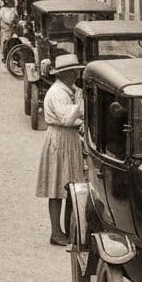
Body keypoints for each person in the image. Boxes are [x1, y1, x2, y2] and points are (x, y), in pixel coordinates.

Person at [36, 54, 85, 246]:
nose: (75, 75)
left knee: (70, 185)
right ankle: (56, 232)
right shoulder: (58, 93)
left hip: (68, 138)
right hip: (60, 138)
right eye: (72, 72)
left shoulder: (67, 91)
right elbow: (66, 119)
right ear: (63, 74)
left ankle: (68, 230)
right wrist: (78, 104)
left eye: (76, 71)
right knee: (57, 187)